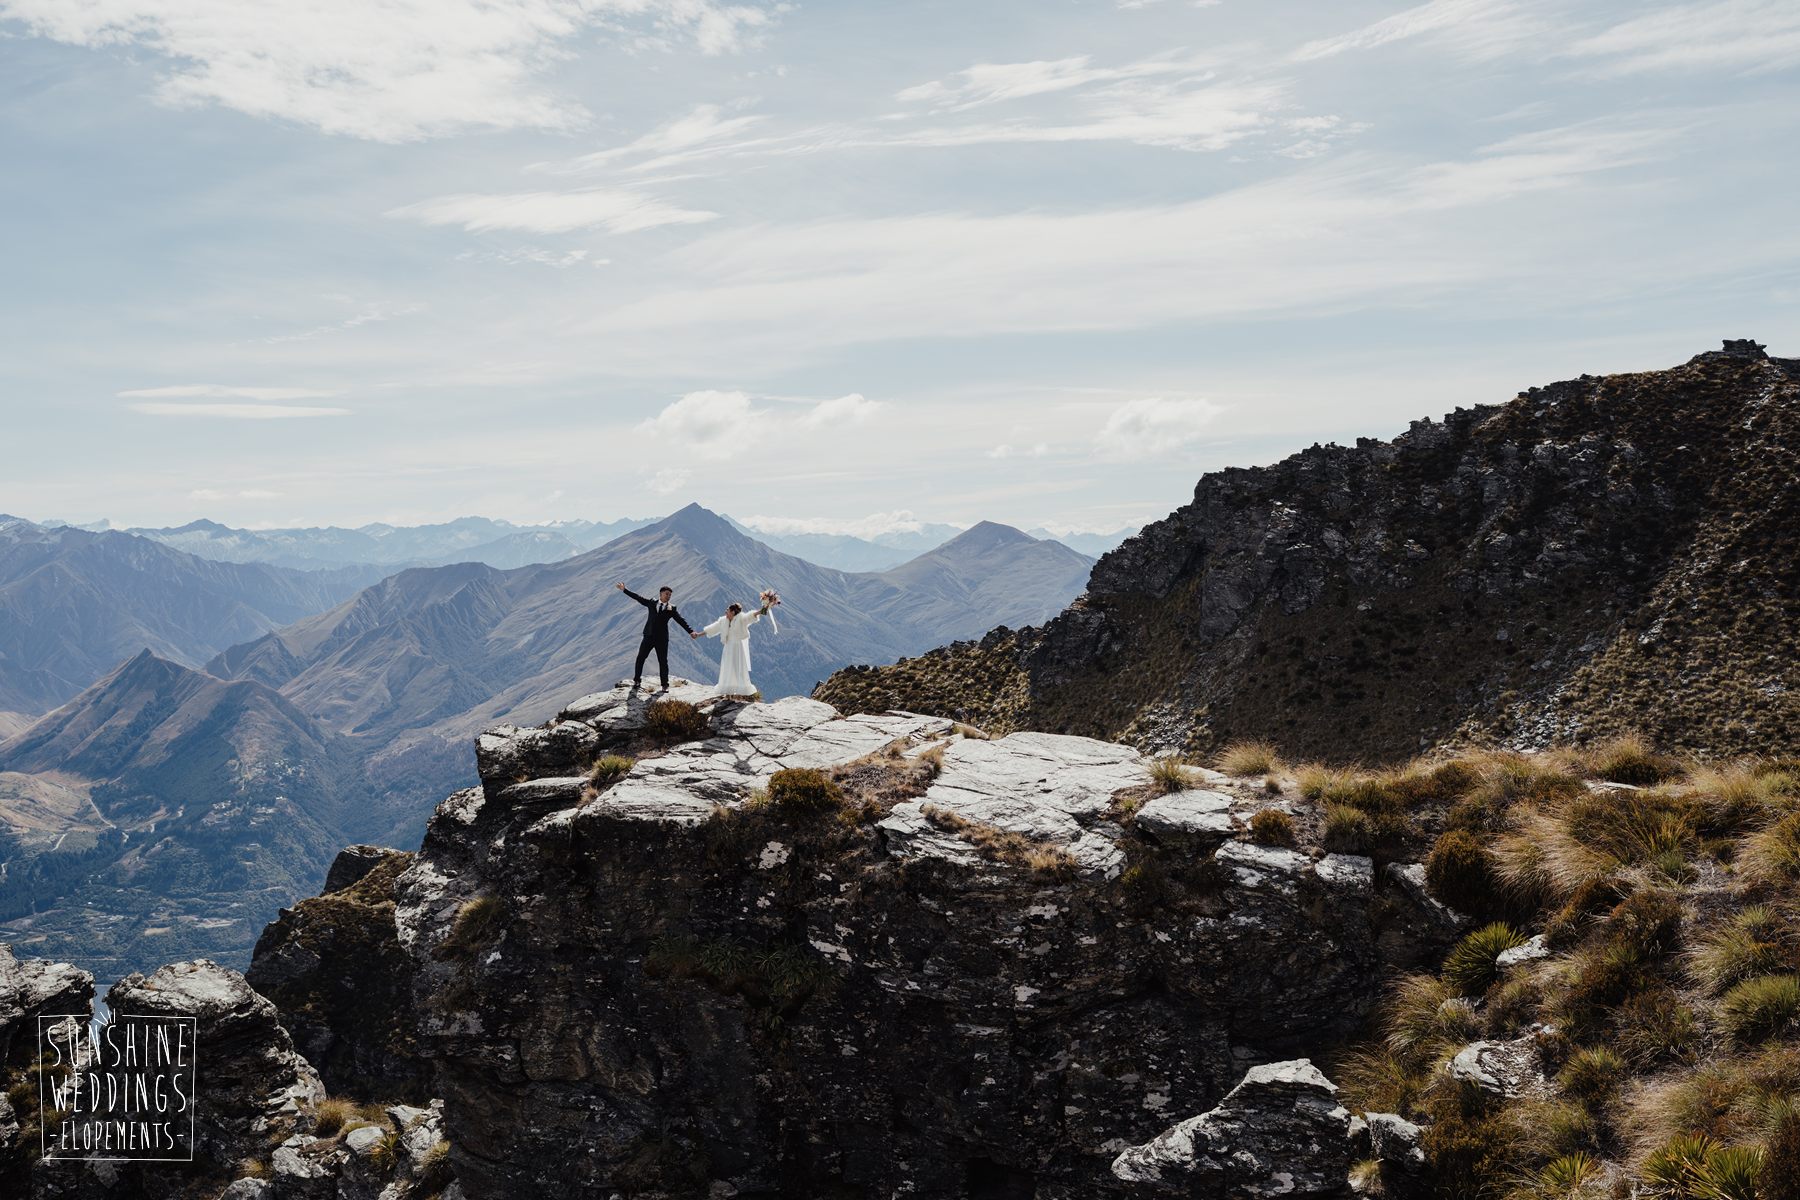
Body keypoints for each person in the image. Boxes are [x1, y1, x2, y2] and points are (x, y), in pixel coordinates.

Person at [614, 582, 700, 692]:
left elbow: (680, 620)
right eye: (666, 594)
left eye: (670, 595)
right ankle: (637, 681)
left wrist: (691, 631)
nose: (668, 596)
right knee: (640, 658)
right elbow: (638, 598)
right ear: (660, 594)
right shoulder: (651, 603)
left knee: (663, 661)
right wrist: (624, 590)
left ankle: (664, 685)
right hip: (648, 636)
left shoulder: (671, 609)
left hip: (662, 639)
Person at [698, 590, 780, 699]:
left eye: (727, 610)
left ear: (732, 612)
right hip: (728, 648)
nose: (725, 611)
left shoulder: (741, 619)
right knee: (728, 668)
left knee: (738, 668)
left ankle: (738, 693)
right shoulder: (723, 621)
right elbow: (712, 629)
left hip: (737, 648)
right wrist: (698, 634)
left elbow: (752, 615)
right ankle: (728, 693)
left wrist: (765, 608)